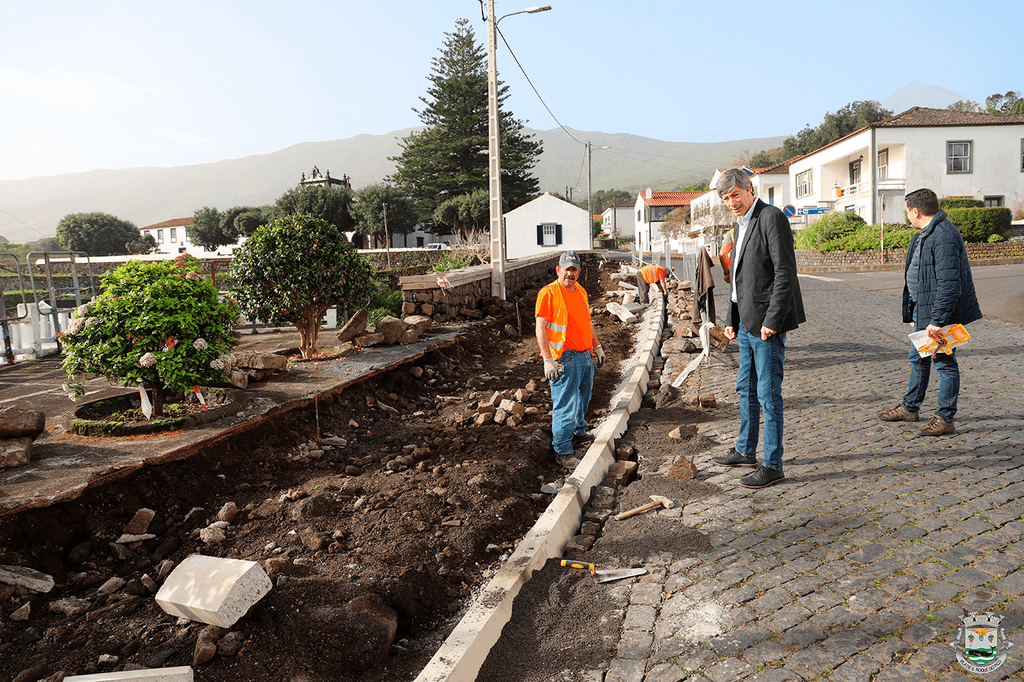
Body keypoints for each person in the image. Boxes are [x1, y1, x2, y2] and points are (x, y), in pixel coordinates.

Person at [710, 168, 805, 488]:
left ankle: (773, 463)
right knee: (745, 389)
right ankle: (745, 450)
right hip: (747, 324)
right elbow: (739, 280)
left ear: (750, 189)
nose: (731, 202)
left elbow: (785, 274)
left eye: (735, 195)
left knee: (767, 394)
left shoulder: (771, 217)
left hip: (765, 326)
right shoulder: (741, 224)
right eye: (726, 198)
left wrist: (772, 321)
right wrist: (731, 319)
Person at [878, 188, 981, 436]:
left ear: (915, 211)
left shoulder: (944, 234)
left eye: (907, 212)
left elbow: (949, 283)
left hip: (938, 316)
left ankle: (945, 418)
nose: (907, 216)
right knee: (918, 358)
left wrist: (937, 320)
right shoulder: (925, 234)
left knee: (944, 363)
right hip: (923, 312)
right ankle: (910, 408)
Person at [536, 250, 605, 467]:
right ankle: (563, 450)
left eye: (574, 270)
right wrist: (548, 360)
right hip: (564, 359)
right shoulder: (549, 293)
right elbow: (540, 328)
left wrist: (598, 346)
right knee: (565, 404)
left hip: (585, 355)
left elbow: (587, 322)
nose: (570, 273)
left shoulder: (581, 291)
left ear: (579, 272)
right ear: (558, 270)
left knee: (584, 398)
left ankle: (578, 431)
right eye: (567, 269)